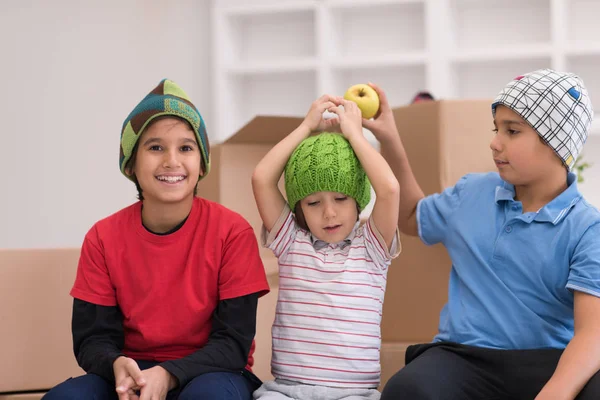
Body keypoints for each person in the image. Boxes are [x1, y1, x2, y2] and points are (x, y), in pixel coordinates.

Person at [369, 69, 600, 399]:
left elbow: (593, 335)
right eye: (497, 129)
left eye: (512, 131)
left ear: (556, 144)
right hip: (462, 358)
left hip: (548, 365)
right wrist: (389, 137)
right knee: (407, 389)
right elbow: (409, 216)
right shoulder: (472, 193)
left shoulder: (588, 229)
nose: (494, 142)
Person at [43, 79, 270, 400]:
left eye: (186, 148)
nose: (171, 161)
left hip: (213, 373)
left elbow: (233, 344)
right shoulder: (102, 237)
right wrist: (116, 365)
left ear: (202, 163)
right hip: (132, 374)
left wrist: (169, 374)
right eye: (155, 147)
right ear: (131, 163)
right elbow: (92, 339)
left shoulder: (232, 232)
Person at [251, 95, 401, 399]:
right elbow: (262, 178)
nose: (329, 213)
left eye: (341, 199)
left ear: (358, 197)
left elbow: (389, 189)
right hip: (288, 391)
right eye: (313, 202)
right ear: (299, 208)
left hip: (355, 393)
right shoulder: (290, 241)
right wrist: (306, 126)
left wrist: (355, 136)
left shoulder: (371, 248)